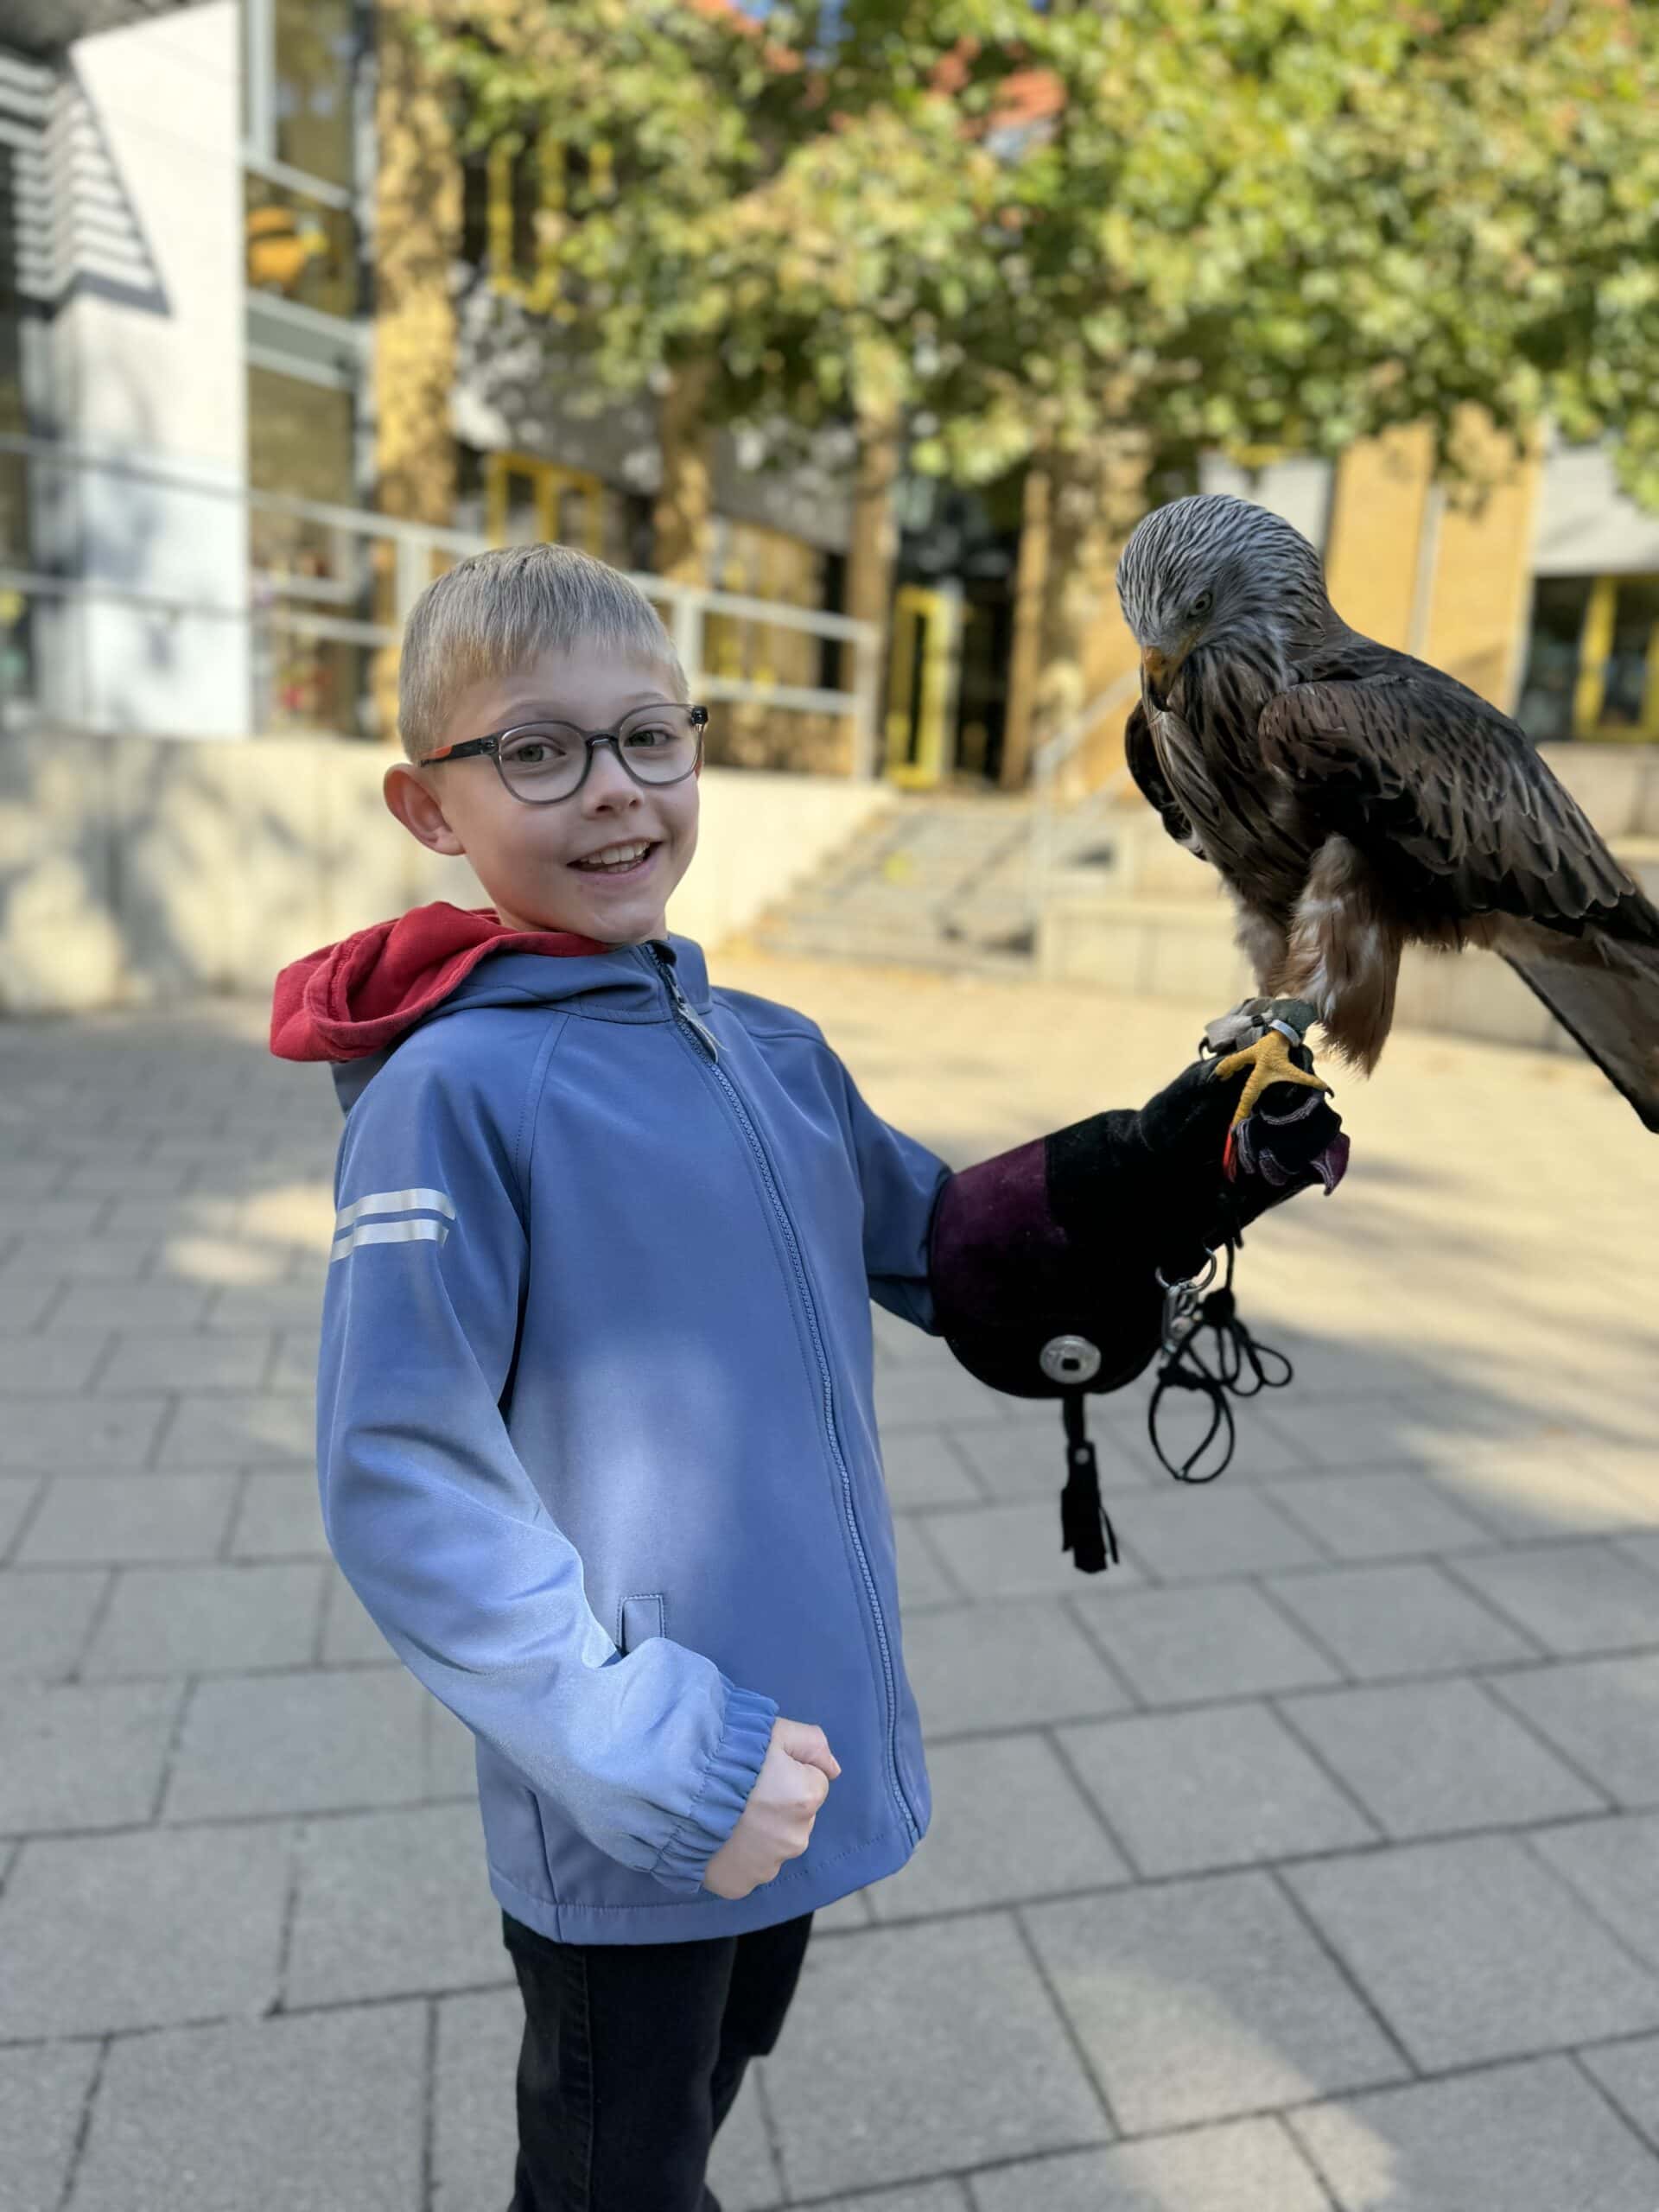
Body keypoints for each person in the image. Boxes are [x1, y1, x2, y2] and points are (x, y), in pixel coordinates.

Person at [270, 542, 1347, 2212]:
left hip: (801, 1746)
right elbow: (400, 1475)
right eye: (538, 753)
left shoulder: (772, 1045)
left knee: (714, 2081)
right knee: (609, 2174)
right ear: (430, 807)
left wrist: (1157, 1173)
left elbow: (957, 1257)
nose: (616, 794)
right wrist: (649, 1751)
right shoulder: (450, 1095)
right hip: (642, 1778)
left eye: (653, 738)